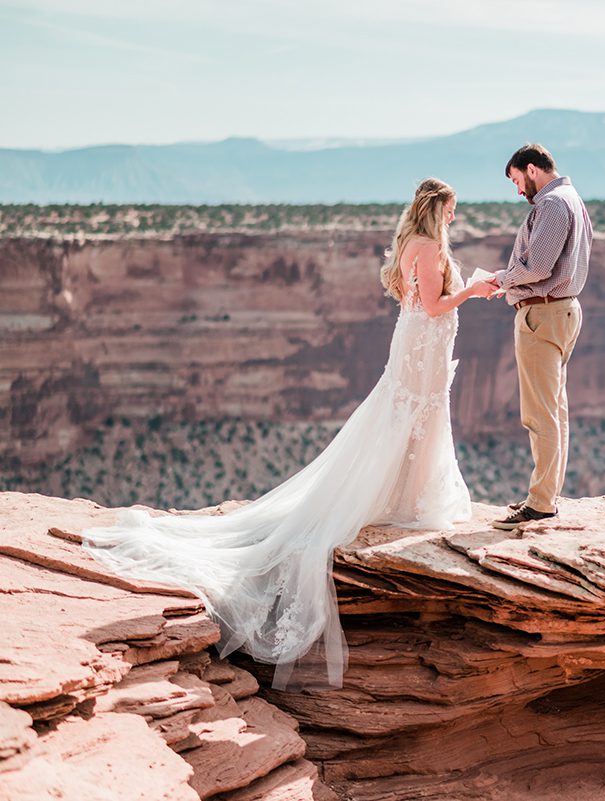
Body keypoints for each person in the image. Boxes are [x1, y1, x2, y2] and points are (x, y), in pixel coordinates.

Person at [82, 178, 497, 690]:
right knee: (415, 420)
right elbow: (433, 306)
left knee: (405, 421)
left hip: (411, 346)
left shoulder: (411, 242)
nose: (455, 217)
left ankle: (398, 494)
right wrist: (474, 291)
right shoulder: (431, 248)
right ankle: (401, 499)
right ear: (439, 210)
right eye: (452, 210)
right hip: (421, 349)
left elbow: (416, 304)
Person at [489, 144, 592, 531]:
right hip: (564, 311)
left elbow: (538, 266)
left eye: (517, 181)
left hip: (543, 314)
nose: (519, 191)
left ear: (532, 170)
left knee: (539, 414)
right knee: (556, 409)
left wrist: (500, 279)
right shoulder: (574, 199)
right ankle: (547, 494)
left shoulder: (550, 205)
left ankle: (541, 504)